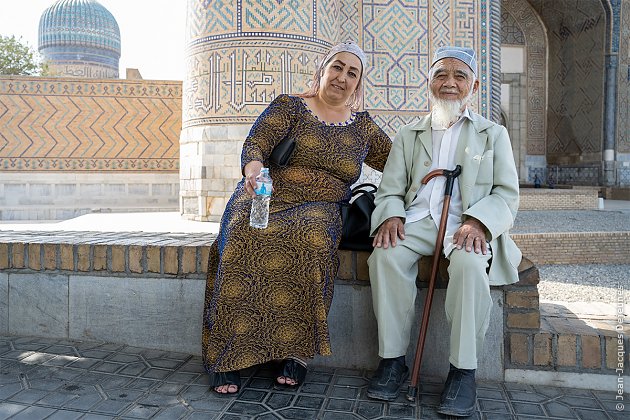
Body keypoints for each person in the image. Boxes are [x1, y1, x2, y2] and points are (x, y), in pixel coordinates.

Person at [202, 41, 392, 394]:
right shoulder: (290, 106)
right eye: (337, 67)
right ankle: (229, 354)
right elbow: (255, 143)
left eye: (353, 73)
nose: (342, 77)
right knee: (242, 234)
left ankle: (295, 351)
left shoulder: (363, 127)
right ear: (323, 69)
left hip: (322, 206)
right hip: (267, 193)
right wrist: (254, 172)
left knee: (313, 237)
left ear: (358, 83)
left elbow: (399, 162)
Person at [365, 46, 521, 417]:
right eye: (441, 75)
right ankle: (392, 361)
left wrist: (478, 221)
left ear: (474, 86)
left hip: (465, 225)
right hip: (417, 222)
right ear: (430, 83)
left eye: (459, 76)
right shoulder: (408, 133)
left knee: (468, 266)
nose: (449, 83)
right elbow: (389, 188)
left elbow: (506, 193)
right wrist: (390, 215)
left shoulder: (493, 134)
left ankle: (463, 371)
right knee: (384, 256)